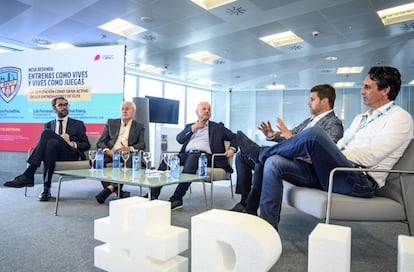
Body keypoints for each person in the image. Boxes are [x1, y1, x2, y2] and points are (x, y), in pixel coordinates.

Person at [237, 66, 413, 230]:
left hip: (360, 180)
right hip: (333, 172)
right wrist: (321, 156)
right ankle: (266, 227)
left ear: (385, 90)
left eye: (367, 87)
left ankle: (261, 153)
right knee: (274, 162)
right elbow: (340, 145)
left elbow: (371, 157)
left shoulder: (400, 118)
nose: (361, 91)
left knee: (314, 134)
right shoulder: (362, 117)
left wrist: (327, 154)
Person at [231, 84, 343, 212]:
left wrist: (291, 138)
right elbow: (291, 134)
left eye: (312, 99)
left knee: (267, 159)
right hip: (296, 162)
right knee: (242, 156)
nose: (308, 102)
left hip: (312, 172)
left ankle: (250, 207)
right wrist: (273, 135)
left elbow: (324, 154)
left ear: (324, 101)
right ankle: (245, 202)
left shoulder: (334, 123)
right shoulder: (310, 120)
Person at [150, 101, 237, 210]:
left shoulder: (217, 127)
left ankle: (177, 198)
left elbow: (235, 137)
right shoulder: (190, 126)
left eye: (209, 109)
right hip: (187, 155)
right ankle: (153, 194)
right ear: (197, 112)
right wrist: (194, 127)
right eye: (204, 109)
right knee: (167, 160)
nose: (207, 111)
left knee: (194, 157)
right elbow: (179, 139)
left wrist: (232, 149)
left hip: (208, 157)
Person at [3, 96, 90, 201]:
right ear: (54, 108)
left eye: (66, 105)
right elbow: (42, 145)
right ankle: (46, 189)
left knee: (46, 133)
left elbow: (86, 144)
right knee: (51, 145)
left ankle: (29, 173)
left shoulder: (78, 124)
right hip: (52, 155)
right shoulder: (48, 124)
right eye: (61, 105)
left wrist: (71, 143)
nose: (64, 107)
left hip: (70, 154)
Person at [94, 101, 145, 204]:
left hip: (127, 154)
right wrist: (108, 151)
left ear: (133, 111)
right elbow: (100, 142)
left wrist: (129, 148)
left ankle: (111, 188)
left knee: (133, 159)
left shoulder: (139, 126)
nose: (124, 111)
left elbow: (142, 145)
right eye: (122, 109)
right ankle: (117, 191)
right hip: (111, 153)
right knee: (96, 160)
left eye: (127, 109)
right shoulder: (111, 122)